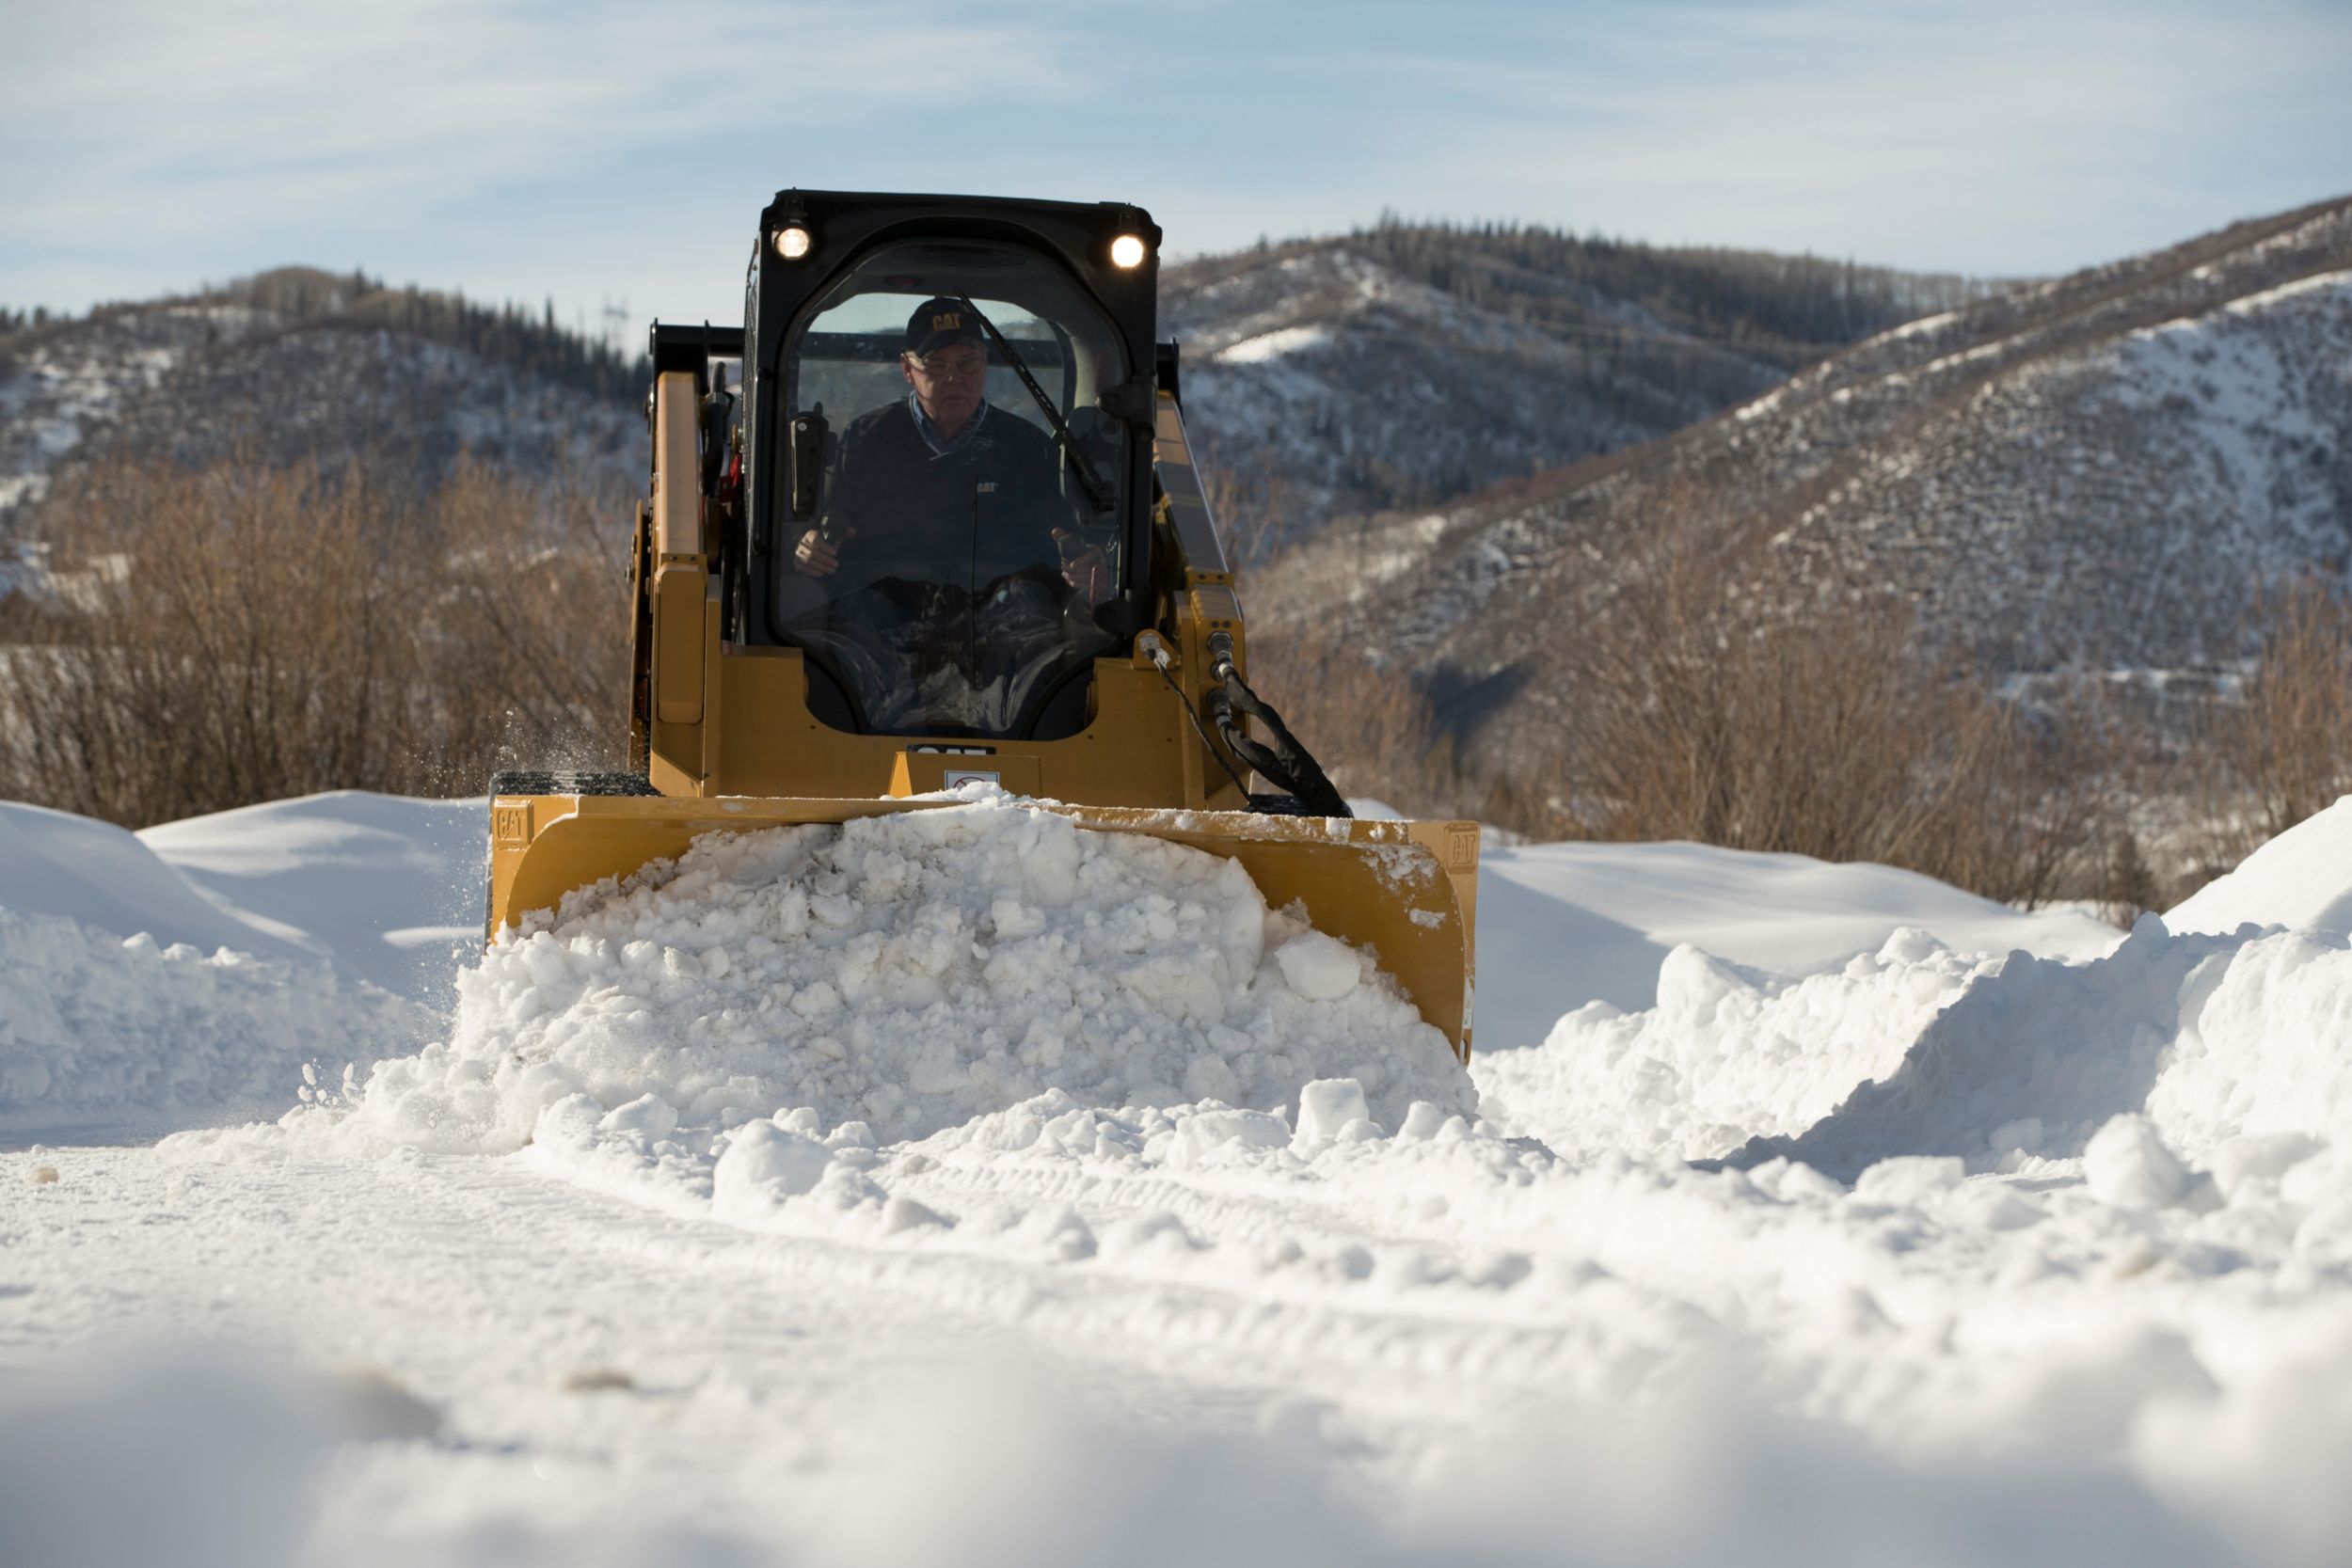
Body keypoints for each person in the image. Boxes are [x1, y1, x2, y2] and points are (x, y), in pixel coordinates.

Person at [790, 296, 1096, 594]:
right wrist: (807, 545)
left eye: (968, 363)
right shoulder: (865, 440)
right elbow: (820, 524)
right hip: (885, 603)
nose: (954, 378)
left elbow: (1069, 540)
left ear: (984, 364)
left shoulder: (1029, 448)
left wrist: (1086, 565)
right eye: (936, 365)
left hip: (1000, 606)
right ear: (907, 369)